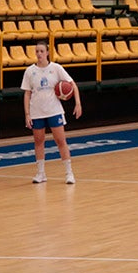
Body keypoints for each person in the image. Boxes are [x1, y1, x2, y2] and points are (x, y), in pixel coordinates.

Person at [21, 41, 82, 184]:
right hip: (37, 111)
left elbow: (73, 84)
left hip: (54, 110)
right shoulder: (30, 71)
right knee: (38, 142)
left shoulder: (56, 68)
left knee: (61, 141)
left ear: (47, 52)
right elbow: (27, 94)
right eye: (37, 51)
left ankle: (69, 173)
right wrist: (27, 114)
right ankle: (41, 173)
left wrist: (77, 103)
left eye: (42, 51)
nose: (39, 54)